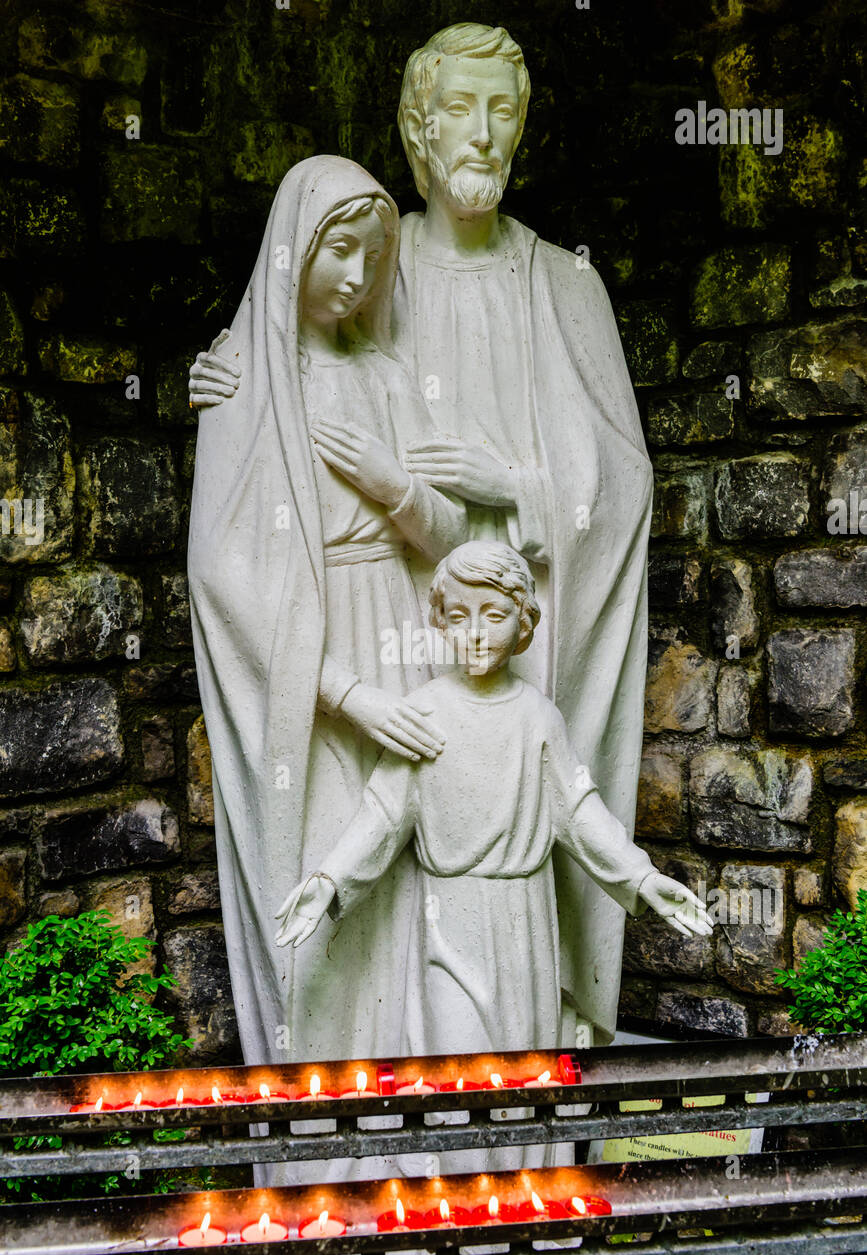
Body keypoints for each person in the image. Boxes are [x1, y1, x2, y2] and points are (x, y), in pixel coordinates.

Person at [189, 23, 655, 1054]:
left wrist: (514, 484)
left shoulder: (565, 286)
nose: (483, 135)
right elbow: (282, 332)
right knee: (370, 861)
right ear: (416, 129)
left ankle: (498, 1106)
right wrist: (221, 368)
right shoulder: (373, 257)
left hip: (504, 632)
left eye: (505, 111)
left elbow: (621, 490)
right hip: (378, 633)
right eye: (461, 109)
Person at [188, 155, 470, 1154]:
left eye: (373, 253)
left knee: (414, 892)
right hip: (309, 675)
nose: (357, 273)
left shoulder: (390, 382)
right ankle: (326, 1143)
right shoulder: (239, 386)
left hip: (407, 635)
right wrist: (342, 690)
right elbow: (225, 573)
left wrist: (396, 485)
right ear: (292, 253)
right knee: (320, 887)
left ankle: (416, 1137)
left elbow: (457, 540)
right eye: (337, 249)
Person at [275, 541, 712, 1065]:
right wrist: (329, 880)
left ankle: (524, 1153)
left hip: (525, 920)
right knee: (456, 1059)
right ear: (439, 621)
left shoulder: (537, 717)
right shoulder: (426, 712)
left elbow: (578, 811)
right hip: (450, 921)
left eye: (495, 615)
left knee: (522, 1064)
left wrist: (641, 878)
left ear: (523, 622)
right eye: (458, 616)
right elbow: (385, 816)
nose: (476, 632)